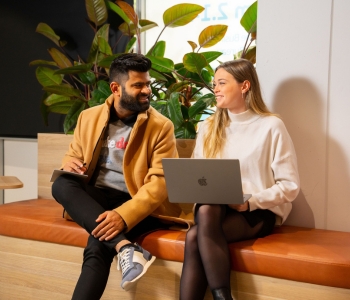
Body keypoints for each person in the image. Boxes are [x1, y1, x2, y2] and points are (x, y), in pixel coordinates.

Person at [52, 53, 184, 300]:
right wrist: (68, 163)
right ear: (115, 88)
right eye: (138, 85)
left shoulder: (161, 126)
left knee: (97, 245)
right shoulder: (88, 117)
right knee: (61, 184)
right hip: (98, 198)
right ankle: (125, 248)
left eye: (147, 84)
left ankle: (122, 246)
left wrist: (123, 216)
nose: (146, 90)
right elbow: (74, 155)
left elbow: (160, 182)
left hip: (137, 202)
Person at [179, 59, 300, 300]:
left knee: (194, 237)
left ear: (244, 86)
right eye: (215, 84)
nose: (215, 89)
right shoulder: (208, 126)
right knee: (207, 209)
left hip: (256, 211)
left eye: (222, 83)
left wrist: (249, 202)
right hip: (213, 211)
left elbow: (290, 186)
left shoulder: (271, 126)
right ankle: (223, 297)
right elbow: (199, 178)